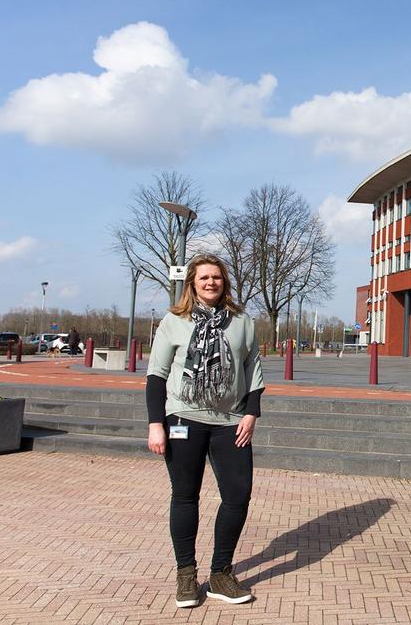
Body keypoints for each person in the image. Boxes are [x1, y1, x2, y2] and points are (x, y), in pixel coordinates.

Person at [145, 254, 264, 608]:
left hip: (231, 421)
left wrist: (252, 413)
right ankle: (185, 574)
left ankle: (220, 574)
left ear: (224, 282)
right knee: (185, 495)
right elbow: (156, 375)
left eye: (217, 277)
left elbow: (252, 367)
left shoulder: (242, 321)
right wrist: (156, 424)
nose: (211, 282)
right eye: (204, 278)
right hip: (184, 417)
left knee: (238, 494)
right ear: (192, 284)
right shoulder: (174, 321)